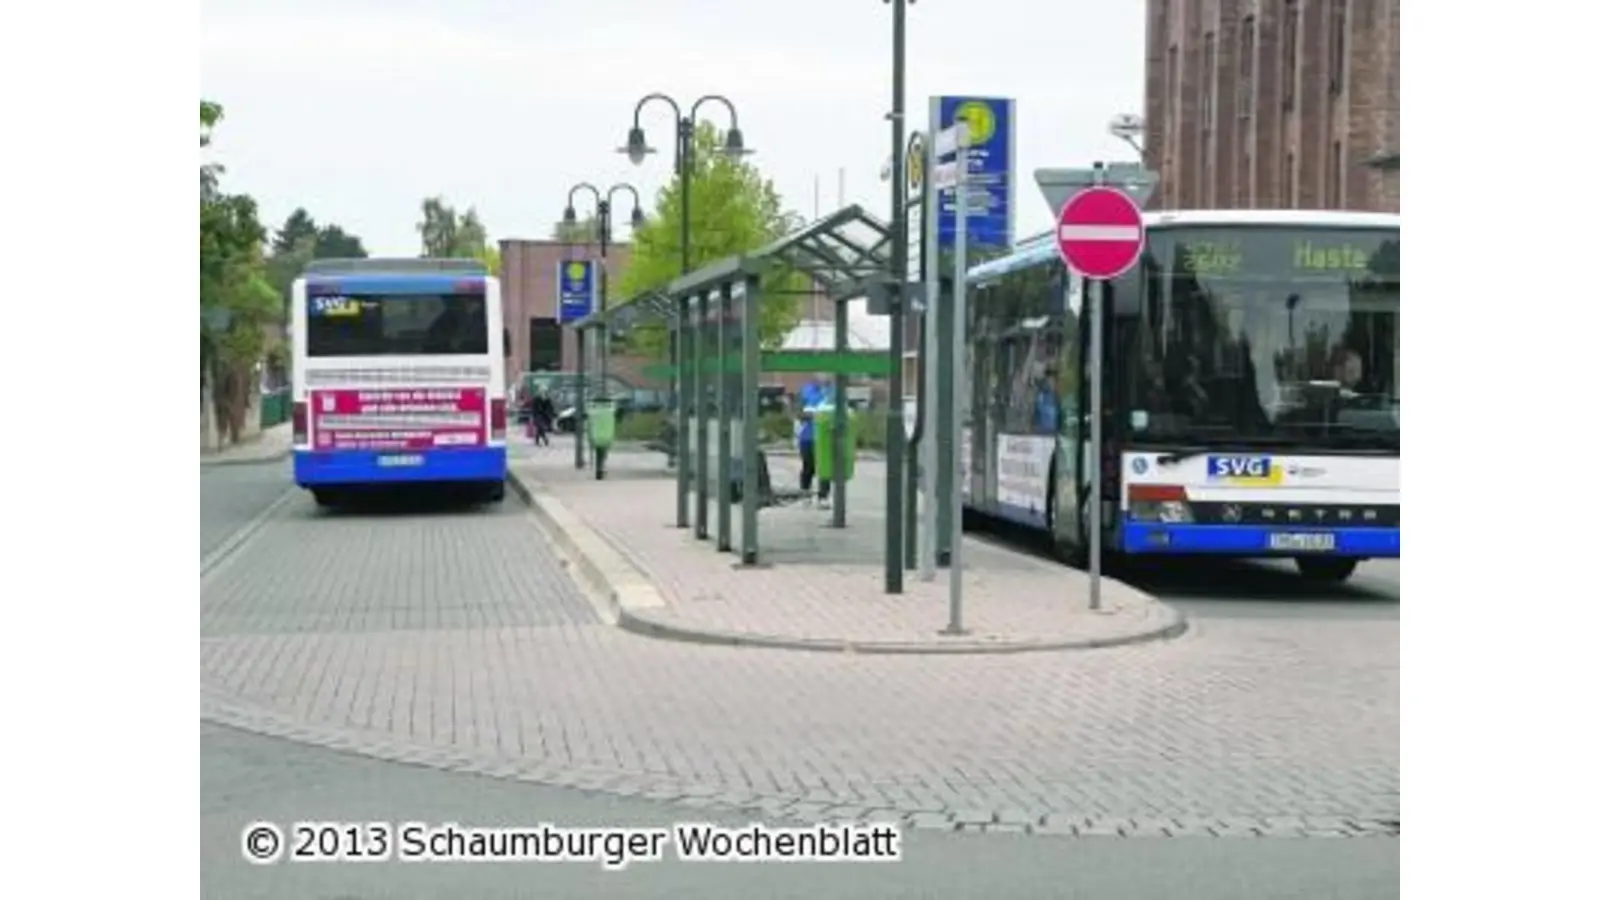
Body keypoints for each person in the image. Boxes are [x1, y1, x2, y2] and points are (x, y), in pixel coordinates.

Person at [795, 376, 834, 508]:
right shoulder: (806, 390)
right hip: (807, 435)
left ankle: (823, 497)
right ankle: (805, 494)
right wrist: (811, 414)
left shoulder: (833, 391)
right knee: (808, 466)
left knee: (825, 467)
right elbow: (799, 412)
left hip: (826, 436)